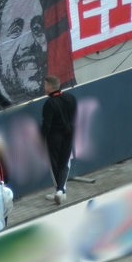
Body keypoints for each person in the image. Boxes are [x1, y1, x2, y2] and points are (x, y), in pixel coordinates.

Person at [39, 75, 77, 203]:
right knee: (64, 162)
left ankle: (59, 190)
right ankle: (61, 191)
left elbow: (46, 125)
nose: (44, 87)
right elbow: (75, 116)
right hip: (69, 135)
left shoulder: (49, 104)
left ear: (50, 86)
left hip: (54, 138)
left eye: (45, 85)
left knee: (54, 164)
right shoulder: (71, 98)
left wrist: (40, 138)